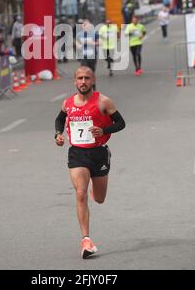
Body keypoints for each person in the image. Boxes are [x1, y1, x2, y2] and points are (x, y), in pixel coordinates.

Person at [54, 66, 126, 258]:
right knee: (80, 193)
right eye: (79, 78)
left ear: (92, 80)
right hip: (77, 154)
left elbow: (121, 123)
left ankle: (95, 186)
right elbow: (59, 120)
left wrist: (104, 131)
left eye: (87, 78)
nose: (83, 81)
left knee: (100, 199)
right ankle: (86, 240)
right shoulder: (68, 103)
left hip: (99, 154)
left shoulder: (103, 101)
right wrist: (58, 134)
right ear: (75, 81)